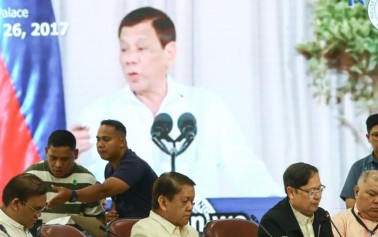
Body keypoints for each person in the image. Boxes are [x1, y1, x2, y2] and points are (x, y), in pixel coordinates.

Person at [70, 6, 281, 199]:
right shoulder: (98, 113)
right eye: (124, 49)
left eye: (141, 49)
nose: (129, 59)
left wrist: (282, 211)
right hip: (126, 233)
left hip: (195, 233)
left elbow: (246, 171)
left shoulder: (206, 108)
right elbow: (76, 188)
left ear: (169, 52)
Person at [49, 119, 158, 221]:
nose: (100, 145)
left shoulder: (133, 165)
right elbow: (117, 198)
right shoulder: (109, 167)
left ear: (122, 142)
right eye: (98, 139)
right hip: (131, 230)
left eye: (106, 139)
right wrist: (113, 212)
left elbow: (103, 191)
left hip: (152, 232)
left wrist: (71, 195)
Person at [255, 162, 344, 237]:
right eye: (312, 191)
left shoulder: (322, 217)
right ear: (291, 192)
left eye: (320, 189)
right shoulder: (272, 222)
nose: (318, 196)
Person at [24, 130, 104, 229]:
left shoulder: (88, 180)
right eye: (53, 158)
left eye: (65, 159)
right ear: (46, 151)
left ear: (76, 153)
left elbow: (97, 221)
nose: (58, 165)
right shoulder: (31, 176)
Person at [127, 171, 211, 237]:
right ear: (163, 202)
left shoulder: (191, 231)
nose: (190, 207)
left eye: (192, 201)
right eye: (185, 201)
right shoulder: (143, 230)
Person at [0, 173, 48, 237]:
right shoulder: (2, 233)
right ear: (16, 204)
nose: (39, 214)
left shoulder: (20, 223)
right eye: (36, 209)